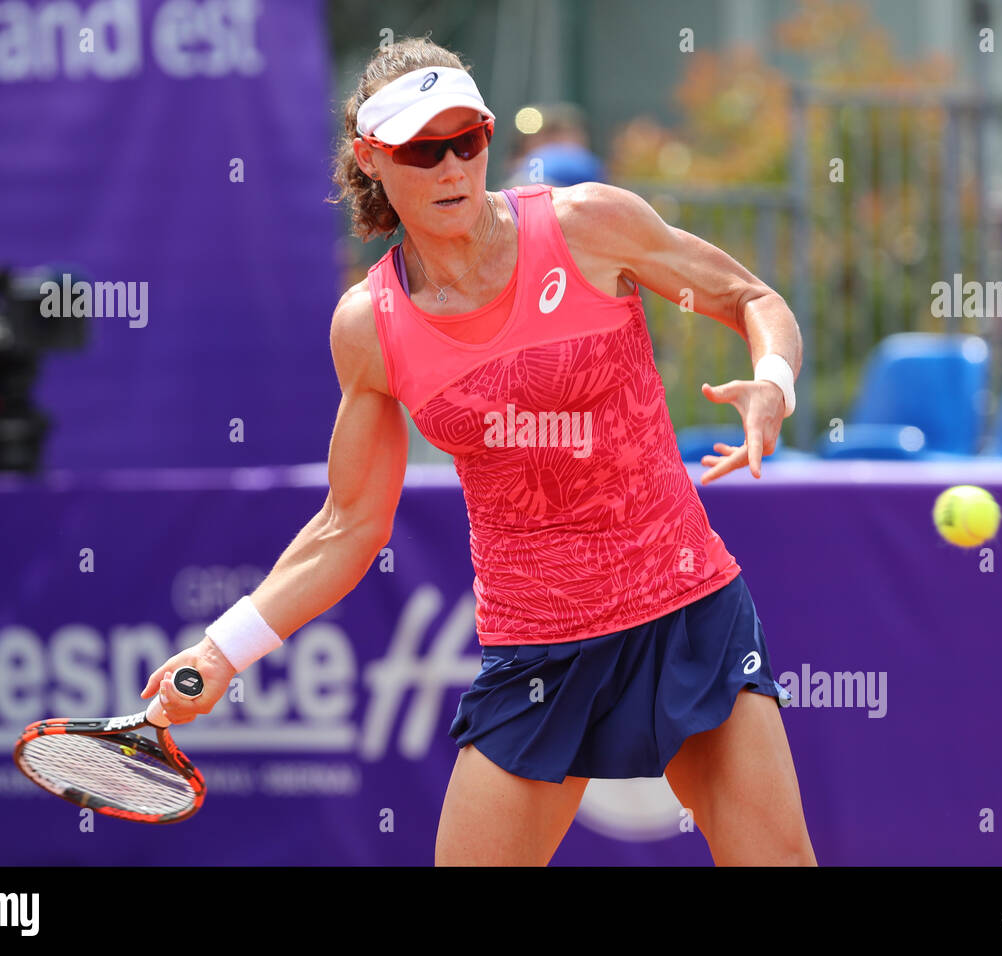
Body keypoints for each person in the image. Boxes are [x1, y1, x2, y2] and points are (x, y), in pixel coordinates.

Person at [141, 36, 814, 867]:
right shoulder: (369, 327)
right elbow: (350, 524)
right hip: (536, 652)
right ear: (371, 159)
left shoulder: (589, 224)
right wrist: (221, 651)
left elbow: (752, 299)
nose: (454, 166)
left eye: (469, 139)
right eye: (425, 149)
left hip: (685, 611)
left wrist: (773, 382)